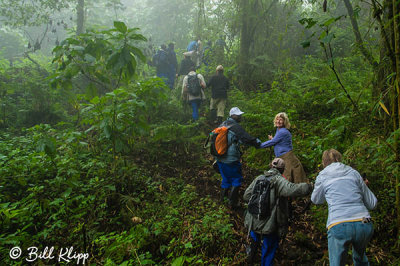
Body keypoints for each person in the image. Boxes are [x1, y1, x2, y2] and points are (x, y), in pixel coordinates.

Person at [311, 149, 377, 266]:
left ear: (324, 162)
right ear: (340, 158)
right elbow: (373, 203)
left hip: (338, 223)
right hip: (364, 221)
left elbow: (316, 200)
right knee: (360, 258)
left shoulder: (323, 175)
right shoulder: (353, 173)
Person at [244, 158, 313, 265]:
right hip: (269, 224)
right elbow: (292, 189)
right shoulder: (278, 181)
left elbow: (246, 196)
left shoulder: (259, 178)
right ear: (282, 170)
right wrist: (309, 187)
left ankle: (251, 258)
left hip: (254, 220)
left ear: (270, 166)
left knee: (254, 240)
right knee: (269, 248)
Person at [216, 107, 263, 208]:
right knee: (236, 179)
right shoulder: (235, 126)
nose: (240, 116)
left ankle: (223, 201)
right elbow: (246, 138)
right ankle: (232, 203)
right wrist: (258, 143)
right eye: (238, 115)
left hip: (220, 157)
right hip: (231, 159)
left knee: (226, 179)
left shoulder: (223, 124)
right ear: (234, 116)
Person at [260, 112, 307, 183]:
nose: (278, 121)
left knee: (288, 177)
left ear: (284, 121)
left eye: (280, 120)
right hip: (281, 157)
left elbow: (273, 142)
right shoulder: (278, 130)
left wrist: (258, 145)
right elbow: (278, 141)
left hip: (287, 157)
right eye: (277, 119)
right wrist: (273, 139)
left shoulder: (283, 131)